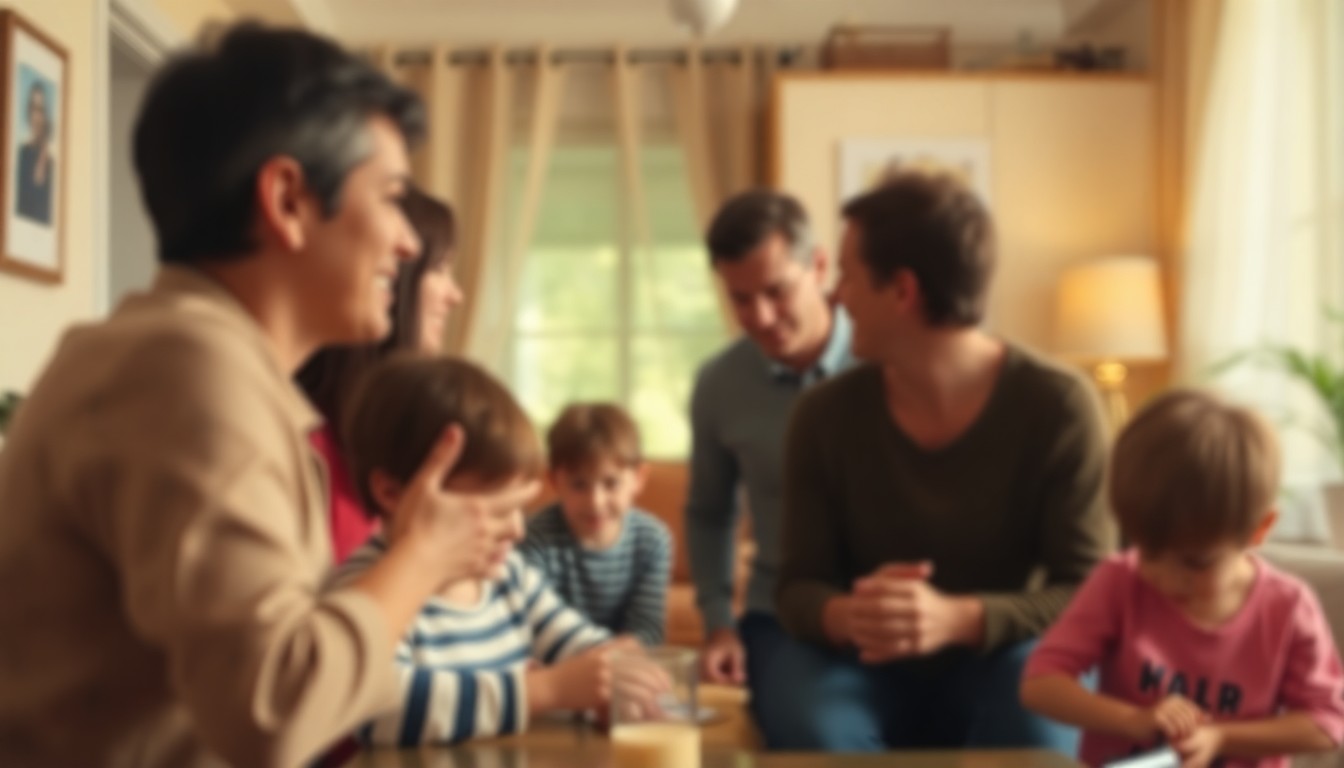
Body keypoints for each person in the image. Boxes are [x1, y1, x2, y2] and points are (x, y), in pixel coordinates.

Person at [0, 25, 531, 768]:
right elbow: (274, 708)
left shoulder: (198, 361)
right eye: (389, 199)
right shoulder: (188, 370)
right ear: (286, 199)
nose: (408, 243)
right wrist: (422, 555)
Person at [771, 171, 1112, 751]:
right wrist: (853, 614)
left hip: (1006, 654)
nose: (837, 296)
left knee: (1036, 732)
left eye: (849, 277)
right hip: (859, 662)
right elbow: (797, 587)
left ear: (903, 292)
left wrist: (958, 619)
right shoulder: (822, 416)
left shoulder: (1061, 406)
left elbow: (1088, 592)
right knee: (816, 732)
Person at [1022, 389, 1344, 768]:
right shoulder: (1119, 581)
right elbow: (1041, 684)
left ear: (1259, 529)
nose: (1163, 578)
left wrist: (1222, 736)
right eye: (1147, 550)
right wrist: (1133, 720)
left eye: (1195, 563)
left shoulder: (1287, 606)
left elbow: (1328, 723)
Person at [334, 357, 633, 744]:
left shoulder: (510, 576)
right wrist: (547, 691)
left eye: (518, 508)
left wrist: (621, 672)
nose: (516, 529)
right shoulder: (369, 588)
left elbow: (583, 643)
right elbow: (373, 709)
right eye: (493, 510)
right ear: (392, 493)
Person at [685, 190, 856, 710]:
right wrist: (719, 624)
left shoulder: (889, 363)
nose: (759, 316)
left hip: (891, 617)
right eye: (739, 299)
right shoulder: (719, 384)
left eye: (776, 291)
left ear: (820, 266)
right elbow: (709, 514)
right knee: (816, 738)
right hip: (781, 619)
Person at [298, 184, 464, 562]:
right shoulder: (309, 446)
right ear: (394, 279)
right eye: (439, 269)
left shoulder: (404, 434)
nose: (455, 295)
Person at [520, 402, 673, 647]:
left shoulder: (652, 540)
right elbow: (534, 626)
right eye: (579, 485)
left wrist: (612, 661)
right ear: (554, 481)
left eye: (611, 483)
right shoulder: (534, 537)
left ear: (639, 478)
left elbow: (648, 631)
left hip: (626, 666)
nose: (595, 502)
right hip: (558, 668)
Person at [16, 80, 54, 224]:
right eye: (33, 109)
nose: (36, 117)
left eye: (41, 110)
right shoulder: (21, 155)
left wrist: (44, 151)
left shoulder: (51, 164)